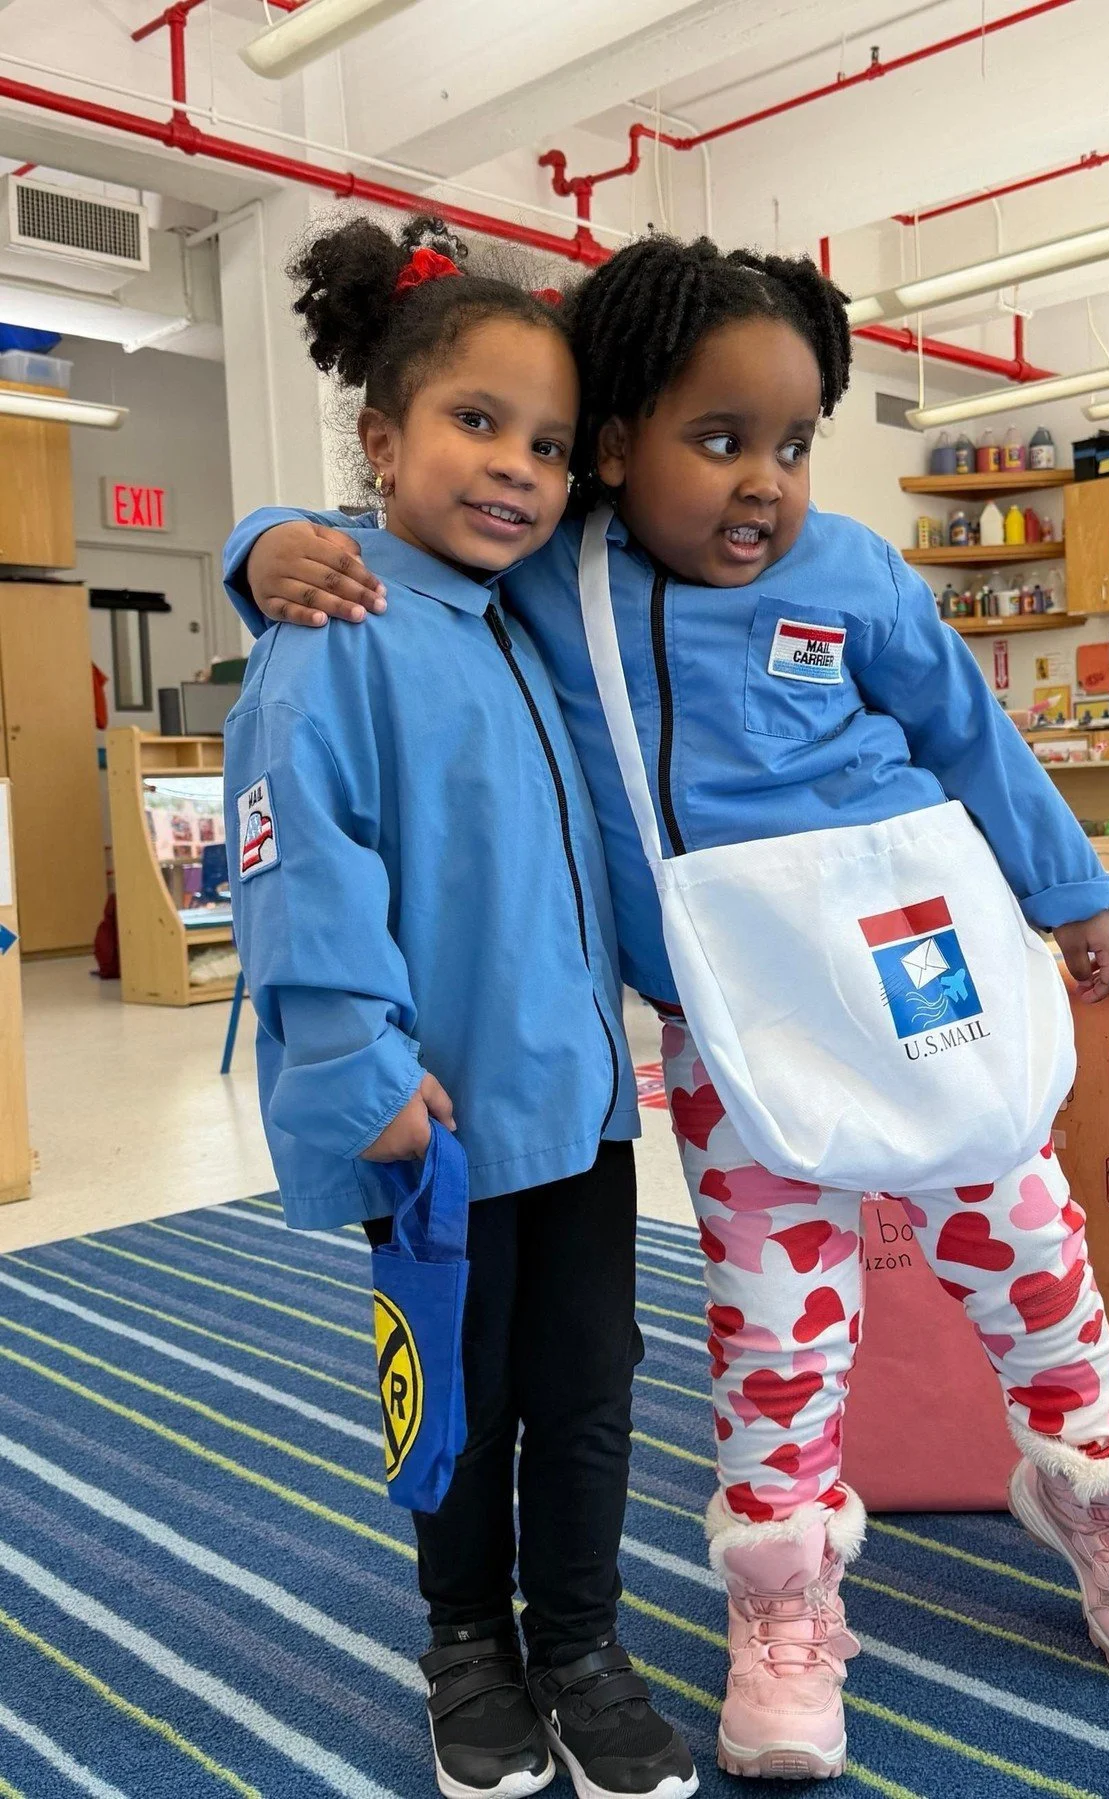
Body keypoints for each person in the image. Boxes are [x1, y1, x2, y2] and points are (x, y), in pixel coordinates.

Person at [226, 234, 1109, 1785]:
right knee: (771, 1323)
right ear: (618, 452)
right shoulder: (551, 570)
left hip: (914, 983)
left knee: (1026, 1253)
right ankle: (783, 1602)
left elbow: (964, 723)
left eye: (796, 444)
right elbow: (404, 548)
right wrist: (265, 540)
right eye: (718, 439)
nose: (764, 482)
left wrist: (1070, 888)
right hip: (730, 1032)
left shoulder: (848, 573)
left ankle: (1107, 1499)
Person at [223, 214, 696, 1799]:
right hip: (435, 1116)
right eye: (474, 422)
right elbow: (300, 856)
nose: (513, 468)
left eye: (548, 444)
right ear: (382, 438)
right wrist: (361, 1061)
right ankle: (465, 1645)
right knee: (458, 1399)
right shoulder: (333, 632)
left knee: (587, 1389)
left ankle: (578, 1636)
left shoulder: (536, 620)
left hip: (580, 1109)